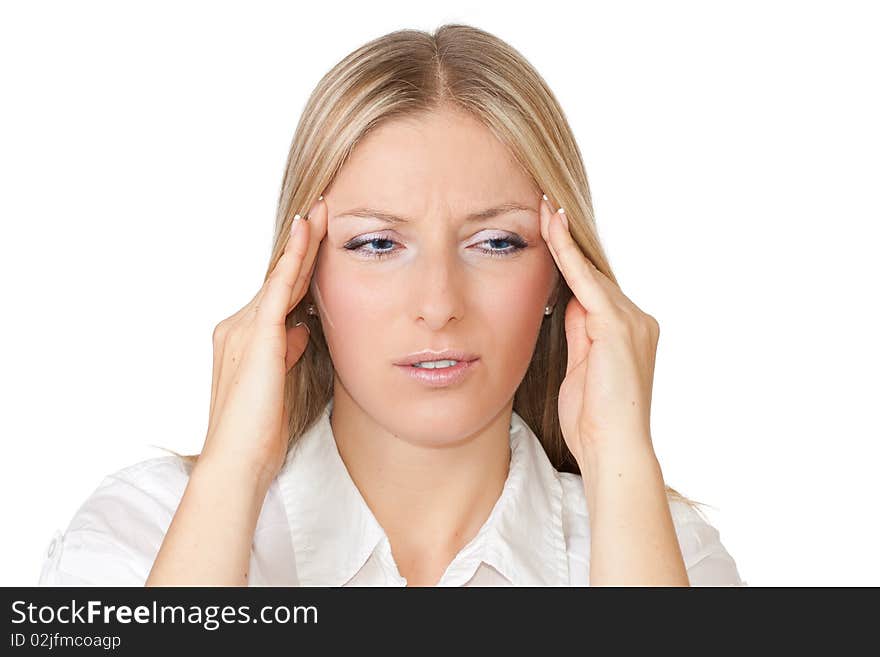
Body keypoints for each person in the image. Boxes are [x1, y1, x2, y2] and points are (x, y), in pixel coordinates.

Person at [39, 24, 745, 587]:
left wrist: (622, 461)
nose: (439, 304)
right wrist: (234, 468)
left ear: (563, 279)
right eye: (377, 244)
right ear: (303, 280)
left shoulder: (669, 554)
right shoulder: (144, 527)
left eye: (497, 242)